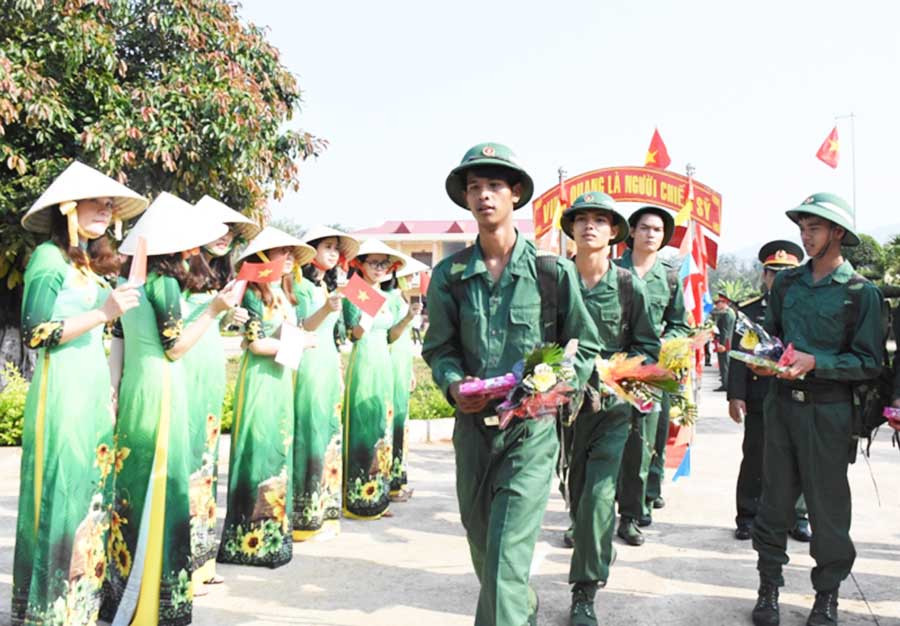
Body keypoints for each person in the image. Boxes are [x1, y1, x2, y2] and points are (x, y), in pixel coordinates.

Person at [423, 142, 602, 626]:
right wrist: (453, 384)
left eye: (494, 186)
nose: (483, 195)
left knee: (504, 561)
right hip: (474, 433)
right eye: (474, 187)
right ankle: (521, 609)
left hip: (531, 432)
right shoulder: (450, 275)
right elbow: (439, 349)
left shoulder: (550, 272)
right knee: (485, 549)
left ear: (515, 194)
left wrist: (556, 380)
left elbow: (583, 345)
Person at [12, 162, 147, 625]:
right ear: (68, 208)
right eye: (97, 203)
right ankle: (51, 610)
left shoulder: (86, 265)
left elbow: (101, 336)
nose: (106, 211)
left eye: (110, 205)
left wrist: (110, 389)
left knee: (92, 494)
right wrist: (104, 312)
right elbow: (36, 333)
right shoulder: (47, 260)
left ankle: (83, 605)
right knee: (61, 490)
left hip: (92, 391)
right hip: (62, 392)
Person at [104, 192, 240, 625]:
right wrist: (214, 310)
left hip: (135, 390)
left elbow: (118, 342)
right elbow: (176, 348)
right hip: (163, 389)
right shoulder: (164, 284)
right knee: (163, 488)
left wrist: (113, 390)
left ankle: (123, 595)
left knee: (132, 487)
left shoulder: (128, 280)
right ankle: (152, 603)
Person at [749, 193, 883, 626]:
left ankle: (827, 595)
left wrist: (816, 362)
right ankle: (768, 587)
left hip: (829, 413)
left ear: (837, 233)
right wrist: (764, 359)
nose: (806, 237)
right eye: (803, 229)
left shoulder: (860, 293)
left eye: (815, 229)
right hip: (781, 407)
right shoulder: (787, 284)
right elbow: (771, 338)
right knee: (773, 504)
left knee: (828, 511)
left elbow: (870, 362)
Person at [559, 193, 660, 625]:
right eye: (581, 219)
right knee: (577, 494)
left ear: (615, 231)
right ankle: (595, 545)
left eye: (600, 220)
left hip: (613, 409)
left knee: (600, 496)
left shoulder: (628, 285)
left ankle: (585, 591)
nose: (590, 226)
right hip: (564, 409)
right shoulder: (556, 279)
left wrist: (614, 374)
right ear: (571, 228)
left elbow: (648, 348)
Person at [217, 227, 315, 568]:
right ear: (261, 257)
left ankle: (273, 536)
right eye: (281, 252)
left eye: (291, 253)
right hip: (260, 379)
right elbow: (257, 344)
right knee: (257, 451)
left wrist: (297, 341)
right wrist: (302, 342)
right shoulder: (252, 294)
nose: (288, 258)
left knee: (277, 451)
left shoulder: (285, 294)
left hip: (281, 378)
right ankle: (247, 541)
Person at [182, 195, 257, 589]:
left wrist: (231, 315)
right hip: (185, 368)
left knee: (206, 465)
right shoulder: (177, 268)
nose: (225, 236)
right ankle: (178, 563)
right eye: (217, 228)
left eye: (230, 231)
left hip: (211, 370)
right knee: (187, 463)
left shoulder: (220, 274)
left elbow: (214, 322)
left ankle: (201, 563)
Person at [727, 240, 810, 542]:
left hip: (800, 395)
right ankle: (748, 516)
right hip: (760, 395)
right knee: (755, 457)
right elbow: (740, 357)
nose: (780, 279)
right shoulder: (749, 312)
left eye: (787, 273)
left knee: (801, 457)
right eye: (774, 273)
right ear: (765, 275)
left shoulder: (808, 309)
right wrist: (736, 395)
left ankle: (798, 517)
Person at [615, 206, 691, 528]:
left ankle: (644, 497)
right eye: (644, 228)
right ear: (631, 232)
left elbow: (679, 324)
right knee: (614, 437)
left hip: (654, 370)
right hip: (616, 369)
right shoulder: (612, 270)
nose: (650, 234)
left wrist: (663, 346)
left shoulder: (669, 278)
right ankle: (613, 500)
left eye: (657, 230)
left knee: (651, 438)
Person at [292, 225, 359, 540]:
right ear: (311, 250)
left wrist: (340, 372)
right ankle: (304, 518)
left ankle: (324, 514)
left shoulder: (328, 287)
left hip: (329, 364)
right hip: (308, 363)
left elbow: (338, 335)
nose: (333, 253)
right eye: (327, 246)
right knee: (309, 434)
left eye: (336, 248)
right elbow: (301, 326)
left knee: (329, 434)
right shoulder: (299, 285)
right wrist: (325, 308)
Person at [341, 239, 414, 520]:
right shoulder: (353, 292)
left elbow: (391, 336)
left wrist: (407, 318)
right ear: (359, 264)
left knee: (383, 428)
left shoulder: (387, 297)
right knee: (363, 425)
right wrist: (365, 319)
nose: (380, 268)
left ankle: (379, 497)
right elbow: (353, 334)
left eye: (384, 263)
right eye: (373, 263)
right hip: (364, 362)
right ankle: (357, 500)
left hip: (384, 363)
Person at [384, 254, 429, 502]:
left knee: (402, 423)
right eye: (408, 275)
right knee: (393, 424)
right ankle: (391, 482)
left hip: (402, 363)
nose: (412, 279)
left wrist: (410, 369)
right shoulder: (391, 299)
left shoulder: (401, 299)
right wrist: (409, 317)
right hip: (391, 364)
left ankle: (398, 479)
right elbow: (391, 334)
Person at [714, 294, 736, 391]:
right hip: (727, 342)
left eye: (718, 303)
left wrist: (722, 345)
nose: (716, 305)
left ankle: (726, 384)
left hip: (725, 343)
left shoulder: (727, 314)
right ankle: (725, 383)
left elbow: (725, 331)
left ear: (724, 302)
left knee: (724, 364)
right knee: (725, 363)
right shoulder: (730, 312)